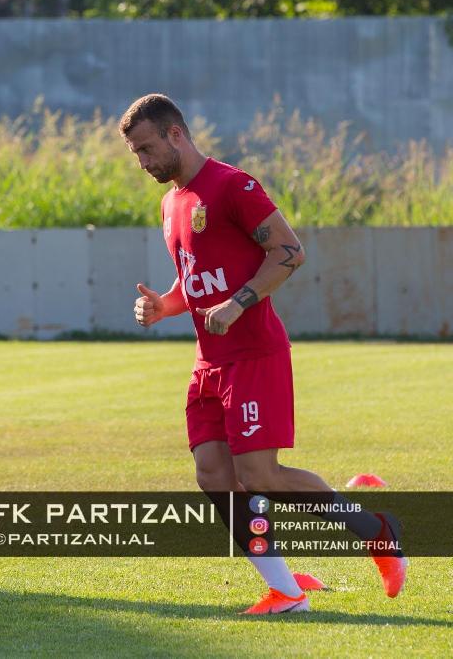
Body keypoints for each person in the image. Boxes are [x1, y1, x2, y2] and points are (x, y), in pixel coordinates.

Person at [122, 93, 407, 614]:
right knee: (212, 474)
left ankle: (376, 531)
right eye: (135, 153)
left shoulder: (233, 185)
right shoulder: (171, 203)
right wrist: (165, 305)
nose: (142, 161)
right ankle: (287, 591)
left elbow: (289, 251)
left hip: (254, 354)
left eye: (145, 148)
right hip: (209, 362)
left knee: (260, 476)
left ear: (175, 134)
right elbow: (196, 280)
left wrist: (239, 302)